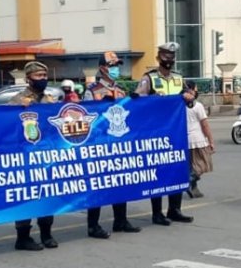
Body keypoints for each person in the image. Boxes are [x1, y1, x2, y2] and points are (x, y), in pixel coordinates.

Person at [133, 41, 196, 226]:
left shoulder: (178, 78)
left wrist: (189, 97)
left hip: (176, 132)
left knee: (177, 169)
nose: (169, 59)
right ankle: (157, 213)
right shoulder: (149, 78)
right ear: (158, 57)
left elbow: (190, 100)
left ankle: (174, 209)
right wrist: (152, 99)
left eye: (172, 56)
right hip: (156, 133)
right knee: (159, 172)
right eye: (165, 55)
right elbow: (138, 99)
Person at [83, 51, 142, 237]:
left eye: (117, 65)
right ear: (102, 68)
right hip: (99, 145)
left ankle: (121, 221)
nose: (116, 69)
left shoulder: (121, 91)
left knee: (121, 182)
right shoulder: (91, 91)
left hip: (118, 144)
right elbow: (86, 118)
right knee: (98, 186)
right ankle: (93, 225)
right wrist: (101, 109)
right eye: (112, 65)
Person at [8, 61, 59, 251]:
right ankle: (23, 237)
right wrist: (17, 109)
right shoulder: (17, 99)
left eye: (45, 76)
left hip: (46, 155)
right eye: (39, 76)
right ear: (29, 78)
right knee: (26, 196)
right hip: (25, 156)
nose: (43, 80)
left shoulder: (49, 100)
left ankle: (46, 234)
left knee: (48, 195)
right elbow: (5, 123)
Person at [184, 79, 214, 199]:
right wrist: (211, 141)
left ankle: (194, 189)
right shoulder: (198, 105)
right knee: (203, 165)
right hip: (198, 140)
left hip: (186, 141)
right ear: (191, 89)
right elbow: (205, 125)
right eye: (195, 88)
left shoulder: (180, 105)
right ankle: (189, 181)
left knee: (192, 166)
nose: (197, 91)